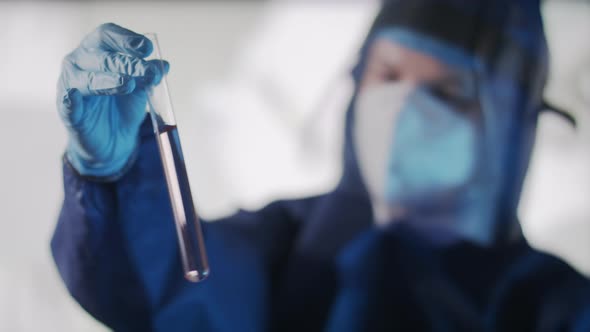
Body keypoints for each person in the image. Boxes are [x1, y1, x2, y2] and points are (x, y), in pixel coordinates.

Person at [51, 0, 590, 331]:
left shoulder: (558, 308)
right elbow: (167, 290)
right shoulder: (286, 243)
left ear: (512, 129)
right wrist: (115, 173)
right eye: (389, 74)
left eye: (448, 93)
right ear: (356, 82)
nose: (404, 109)